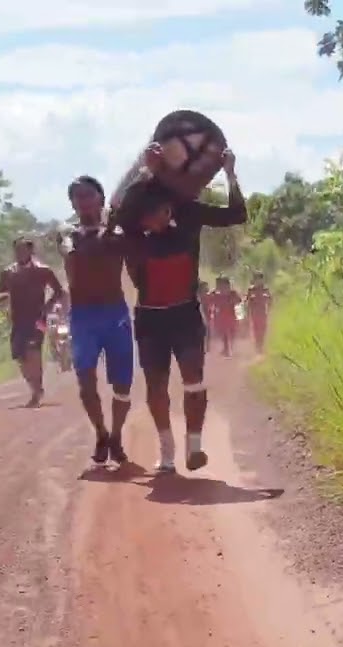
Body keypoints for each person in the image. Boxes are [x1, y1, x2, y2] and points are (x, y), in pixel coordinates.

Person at [122, 144, 247, 473]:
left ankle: (194, 447)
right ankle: (166, 450)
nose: (155, 220)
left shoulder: (190, 212)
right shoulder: (135, 213)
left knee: (193, 380)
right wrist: (144, 170)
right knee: (155, 387)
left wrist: (230, 173)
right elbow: (118, 212)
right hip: (150, 317)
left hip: (185, 313)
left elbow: (236, 214)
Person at [62, 175, 135, 465]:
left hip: (115, 313)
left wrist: (114, 223)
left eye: (88, 195)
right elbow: (73, 254)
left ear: (101, 199)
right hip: (83, 317)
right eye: (77, 196)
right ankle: (101, 432)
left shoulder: (118, 233)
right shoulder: (68, 235)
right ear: (72, 203)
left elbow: (122, 246)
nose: (83, 201)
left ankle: (116, 435)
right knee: (85, 381)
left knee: (122, 386)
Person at [0, 237, 65, 407]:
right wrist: (2, 301)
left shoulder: (43, 270)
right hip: (17, 320)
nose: (20, 253)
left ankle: (36, 392)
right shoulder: (8, 273)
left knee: (34, 353)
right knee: (21, 357)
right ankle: (35, 387)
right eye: (17, 250)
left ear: (30, 251)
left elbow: (59, 292)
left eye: (23, 249)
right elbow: (0, 293)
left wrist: (48, 306)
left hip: (38, 318)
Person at [208, 275, 242, 357]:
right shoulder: (215, 293)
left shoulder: (232, 293)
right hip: (220, 316)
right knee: (223, 332)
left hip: (231, 315)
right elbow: (209, 300)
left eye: (223, 285)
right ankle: (226, 348)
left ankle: (229, 347)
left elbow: (239, 301)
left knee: (231, 331)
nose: (221, 287)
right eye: (219, 285)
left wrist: (232, 301)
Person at [245, 271, 273, 354]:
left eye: (260, 279)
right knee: (256, 330)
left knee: (263, 330)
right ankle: (258, 346)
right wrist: (247, 312)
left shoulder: (265, 289)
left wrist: (269, 305)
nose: (258, 281)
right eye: (257, 279)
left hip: (263, 312)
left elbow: (270, 300)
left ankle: (261, 345)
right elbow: (247, 301)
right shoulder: (251, 289)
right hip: (254, 313)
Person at [196, 280, 213, 353]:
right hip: (199, 315)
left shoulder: (208, 296)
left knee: (206, 331)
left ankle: (206, 347)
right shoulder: (197, 297)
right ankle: (201, 347)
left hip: (206, 315)